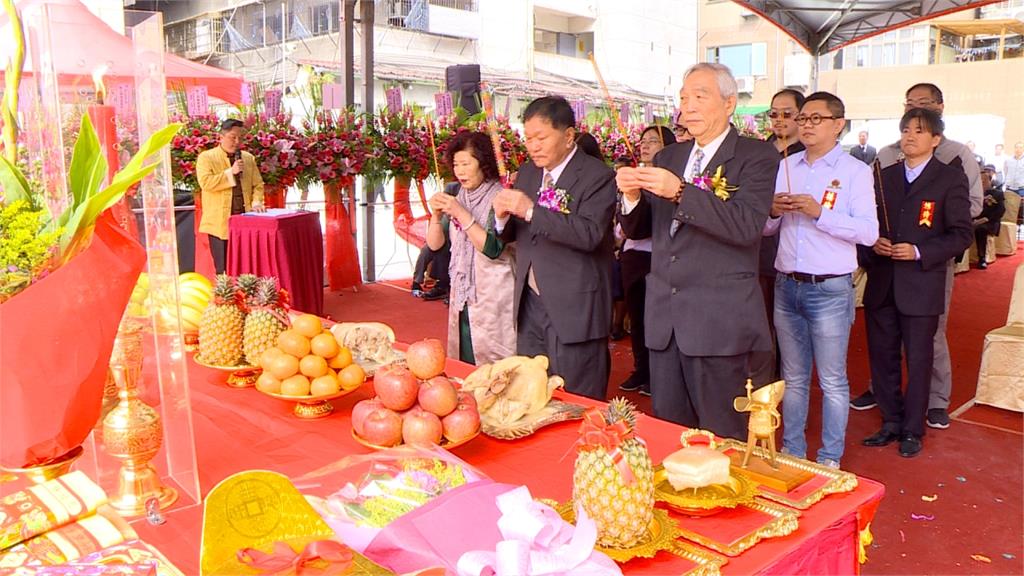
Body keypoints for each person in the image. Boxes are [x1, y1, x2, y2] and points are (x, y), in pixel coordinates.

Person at [616, 63, 778, 439]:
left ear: (729, 103)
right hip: (666, 319)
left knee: (723, 436)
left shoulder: (756, 156)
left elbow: (746, 226)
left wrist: (680, 192)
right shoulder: (670, 158)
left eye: (700, 97)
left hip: (719, 320)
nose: (688, 106)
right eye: (684, 97)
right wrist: (630, 197)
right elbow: (642, 230)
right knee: (670, 434)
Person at [850, 83, 983, 430]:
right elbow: (868, 213)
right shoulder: (886, 160)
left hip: (928, 267)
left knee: (926, 341)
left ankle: (930, 407)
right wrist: (871, 244)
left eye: (923, 112)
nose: (911, 133)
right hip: (886, 270)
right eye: (908, 112)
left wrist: (923, 247)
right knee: (883, 345)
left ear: (940, 110)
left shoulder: (955, 162)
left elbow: (966, 218)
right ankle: (888, 408)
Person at [762, 92, 878, 469]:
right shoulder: (787, 165)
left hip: (829, 287)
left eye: (816, 119)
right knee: (793, 379)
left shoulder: (854, 171)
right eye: (804, 118)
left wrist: (819, 212)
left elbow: (869, 233)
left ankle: (830, 458)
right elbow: (765, 229)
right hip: (787, 283)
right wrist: (773, 212)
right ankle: (793, 452)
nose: (807, 125)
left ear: (838, 124)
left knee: (832, 380)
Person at [493, 96, 617, 400]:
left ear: (568, 136)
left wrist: (532, 210)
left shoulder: (597, 176)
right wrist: (499, 218)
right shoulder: (529, 172)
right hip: (531, 302)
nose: (533, 146)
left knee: (577, 397)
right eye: (528, 138)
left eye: (541, 137)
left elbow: (590, 233)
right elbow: (517, 229)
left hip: (575, 306)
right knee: (530, 391)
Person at [426, 132, 516, 364]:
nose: (460, 171)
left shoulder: (500, 196)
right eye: (456, 165)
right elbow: (435, 245)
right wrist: (435, 217)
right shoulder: (458, 196)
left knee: (495, 363)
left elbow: (493, 248)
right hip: (463, 291)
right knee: (463, 359)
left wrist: (460, 213)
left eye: (466, 164)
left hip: (493, 293)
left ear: (483, 164)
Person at [751, 88, 806, 385]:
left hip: (793, 249)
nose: (780, 120)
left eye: (788, 114)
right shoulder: (758, 152)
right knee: (759, 320)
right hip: (757, 247)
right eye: (774, 114)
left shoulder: (808, 155)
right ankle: (761, 379)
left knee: (788, 325)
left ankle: (788, 379)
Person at [618, 125, 676, 397]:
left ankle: (658, 373)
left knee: (659, 320)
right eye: (644, 140)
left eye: (654, 141)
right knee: (638, 318)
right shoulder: (633, 177)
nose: (646, 145)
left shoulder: (675, 180)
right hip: (634, 256)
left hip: (661, 257)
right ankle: (641, 368)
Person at [197, 118, 265, 274]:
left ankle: (245, 296)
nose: (237, 141)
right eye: (233, 137)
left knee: (247, 265)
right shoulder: (207, 157)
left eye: (240, 138)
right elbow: (206, 183)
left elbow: (258, 184)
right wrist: (231, 173)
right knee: (223, 268)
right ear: (221, 137)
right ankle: (225, 297)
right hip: (220, 222)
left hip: (245, 219)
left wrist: (256, 202)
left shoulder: (247, 158)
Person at [973, 166, 1006, 270]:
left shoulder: (997, 194)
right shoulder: (973, 193)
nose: (982, 183)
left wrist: (987, 219)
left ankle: (982, 258)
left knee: (981, 229)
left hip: (990, 221)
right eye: (980, 180)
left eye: (984, 180)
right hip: (974, 220)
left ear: (990, 181)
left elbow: (1001, 211)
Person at [1005, 142, 1024, 224]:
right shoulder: (1008, 160)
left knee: (1021, 210)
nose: (1018, 149)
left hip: (1021, 188)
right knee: (1009, 210)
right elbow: (1006, 171)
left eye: (1020, 147)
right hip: (1010, 188)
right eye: (1017, 147)